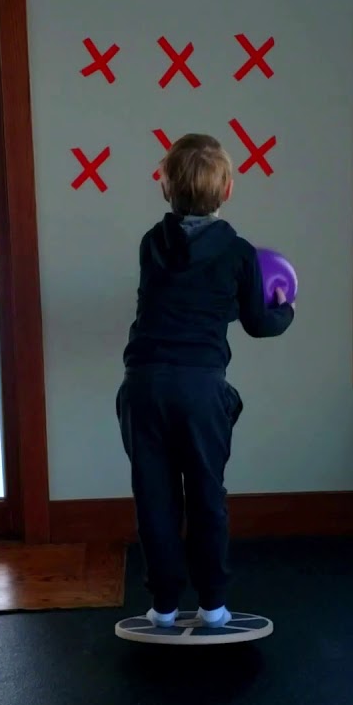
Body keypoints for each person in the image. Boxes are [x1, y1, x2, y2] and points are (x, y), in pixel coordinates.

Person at [115, 133, 294, 629]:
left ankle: (165, 605)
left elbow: (183, 296)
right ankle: (213, 604)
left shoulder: (152, 244)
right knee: (205, 492)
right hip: (199, 389)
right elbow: (259, 322)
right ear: (228, 190)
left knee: (155, 497)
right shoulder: (238, 254)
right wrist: (285, 309)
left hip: (143, 385)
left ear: (165, 189)